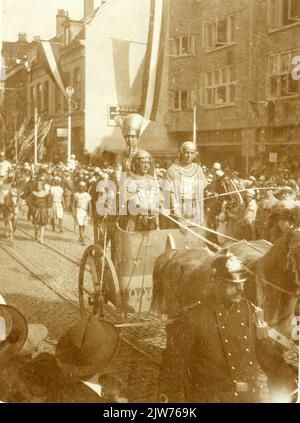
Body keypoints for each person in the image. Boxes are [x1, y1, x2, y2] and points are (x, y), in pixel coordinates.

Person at [158, 251, 297, 403]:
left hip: (248, 399)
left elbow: (264, 352)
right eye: (233, 284)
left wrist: (288, 373)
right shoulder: (191, 318)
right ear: (215, 282)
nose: (240, 289)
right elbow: (172, 367)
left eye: (242, 283)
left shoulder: (249, 311)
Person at [162, 141, 208, 227]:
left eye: (192, 153)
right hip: (177, 211)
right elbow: (169, 195)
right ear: (181, 153)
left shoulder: (198, 170)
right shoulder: (172, 170)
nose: (189, 156)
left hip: (195, 210)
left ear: (195, 154)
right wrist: (178, 217)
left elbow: (202, 192)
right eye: (187, 152)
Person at [119, 149, 160, 232]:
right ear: (136, 163)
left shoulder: (153, 181)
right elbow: (134, 205)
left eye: (148, 163)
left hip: (153, 222)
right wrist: (155, 210)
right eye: (143, 162)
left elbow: (158, 200)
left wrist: (158, 210)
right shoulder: (129, 182)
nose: (146, 166)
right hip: (135, 223)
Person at [31, 179, 50, 244]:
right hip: (36, 210)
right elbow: (32, 202)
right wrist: (33, 208)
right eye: (37, 185)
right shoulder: (34, 193)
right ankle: (36, 233)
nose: (38, 186)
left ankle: (41, 238)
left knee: (42, 225)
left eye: (40, 185)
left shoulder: (46, 193)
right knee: (36, 225)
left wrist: (48, 209)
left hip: (43, 210)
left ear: (42, 186)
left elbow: (48, 202)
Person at [73, 181, 92, 245]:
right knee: (80, 225)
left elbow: (90, 204)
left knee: (84, 225)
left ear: (84, 187)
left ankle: (81, 236)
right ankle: (83, 239)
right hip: (78, 210)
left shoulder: (87, 195)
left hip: (85, 211)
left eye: (83, 187)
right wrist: (73, 212)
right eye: (80, 187)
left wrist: (90, 212)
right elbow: (73, 204)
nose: (81, 188)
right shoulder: (76, 194)